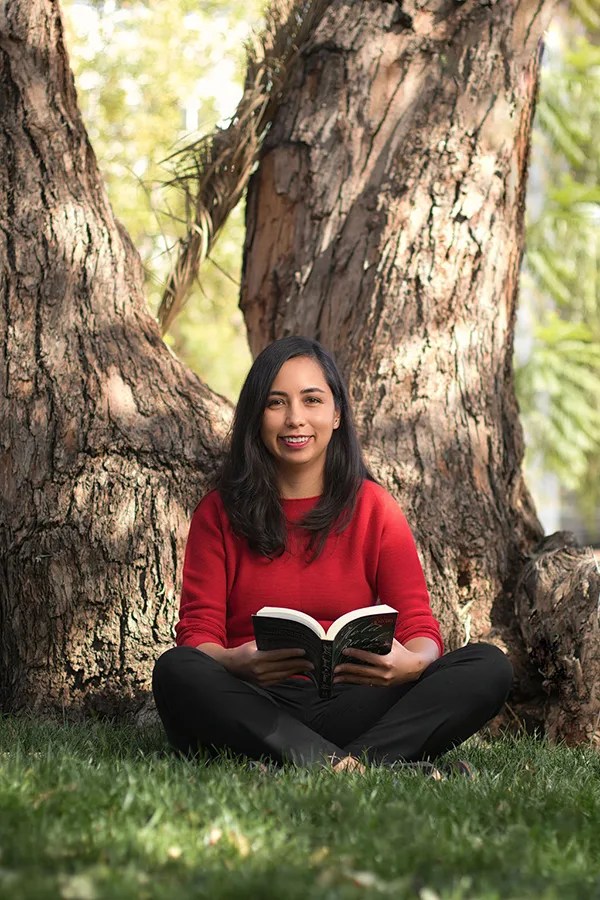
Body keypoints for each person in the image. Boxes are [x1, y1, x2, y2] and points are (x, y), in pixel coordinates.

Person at [152, 336, 513, 775]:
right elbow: (197, 633)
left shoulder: (375, 507)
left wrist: (409, 664)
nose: (295, 419)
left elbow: (420, 626)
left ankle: (325, 764)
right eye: (276, 403)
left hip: (358, 700)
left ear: (337, 413)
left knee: (487, 667)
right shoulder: (218, 513)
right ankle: (368, 766)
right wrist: (235, 662)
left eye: (312, 400)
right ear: (256, 416)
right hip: (258, 702)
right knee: (177, 671)